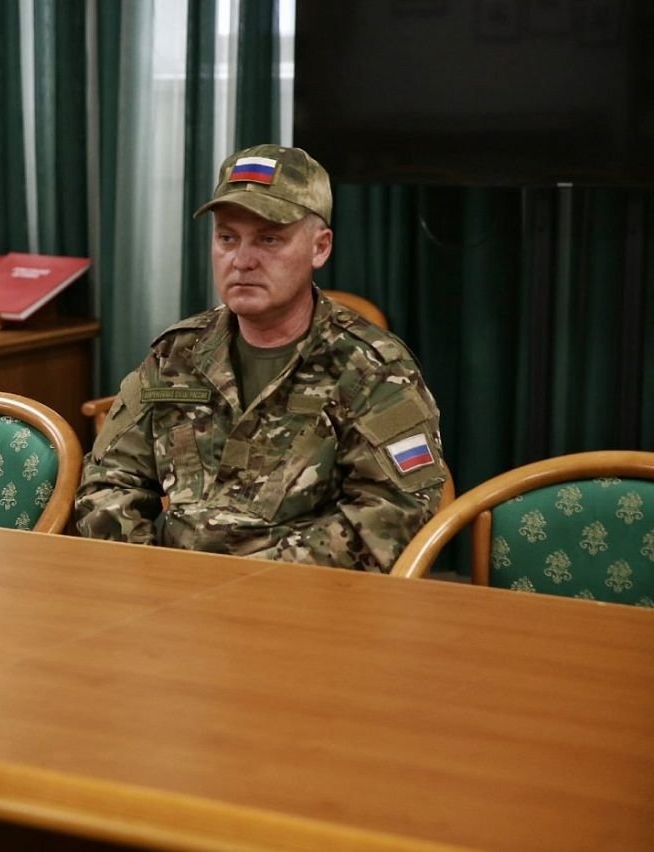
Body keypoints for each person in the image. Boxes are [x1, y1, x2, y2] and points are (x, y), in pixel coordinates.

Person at [76, 144, 447, 571]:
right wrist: (148, 574)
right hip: (171, 590)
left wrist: (244, 582)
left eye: (269, 239)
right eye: (227, 238)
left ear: (320, 247)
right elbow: (108, 480)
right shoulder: (177, 353)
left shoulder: (373, 369)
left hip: (302, 597)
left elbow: (393, 517)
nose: (242, 260)